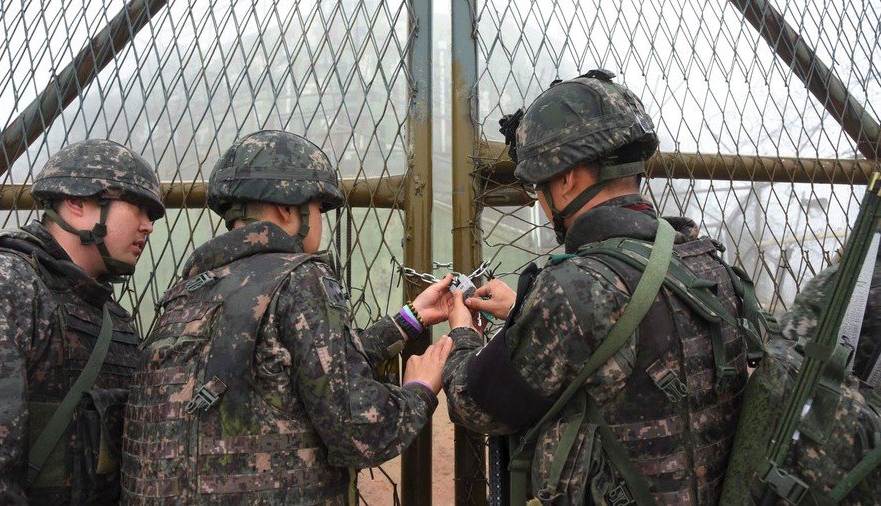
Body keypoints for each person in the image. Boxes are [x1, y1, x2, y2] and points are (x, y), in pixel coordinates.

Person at [443, 70, 758, 504]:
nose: (540, 199)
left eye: (540, 184)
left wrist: (463, 332)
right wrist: (524, 308)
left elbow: (474, 405)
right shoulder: (706, 263)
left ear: (567, 177)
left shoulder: (573, 288)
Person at [121, 130, 454, 505]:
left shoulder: (188, 291)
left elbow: (295, 367)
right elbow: (363, 432)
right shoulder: (300, 277)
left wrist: (407, 320)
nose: (321, 220)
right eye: (317, 208)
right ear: (288, 209)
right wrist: (419, 390)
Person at [0, 139, 165, 505]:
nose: (148, 227)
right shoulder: (1, 283)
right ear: (77, 203)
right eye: (138, 208)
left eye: (152, 216)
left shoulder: (113, 317)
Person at [779, 247, 879, 387]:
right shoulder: (846, 275)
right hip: (837, 396)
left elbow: (785, 335)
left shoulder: (838, 272)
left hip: (783, 381)